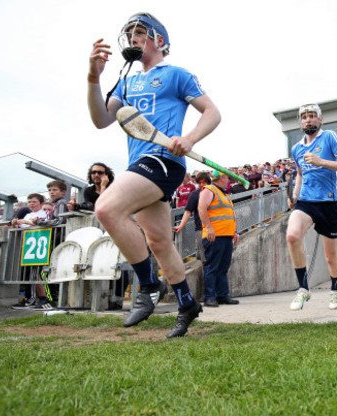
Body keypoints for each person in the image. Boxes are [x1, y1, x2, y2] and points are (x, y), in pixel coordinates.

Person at [87, 12, 221, 338]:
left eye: (140, 34)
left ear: (159, 40)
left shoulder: (176, 74)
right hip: (139, 164)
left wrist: (188, 139)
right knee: (159, 241)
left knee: (105, 208)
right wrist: (93, 78)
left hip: (163, 160)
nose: (132, 40)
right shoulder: (126, 81)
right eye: (129, 35)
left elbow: (213, 113)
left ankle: (148, 285)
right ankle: (187, 303)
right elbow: (101, 120)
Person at [286, 103, 337, 311]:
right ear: (300, 122)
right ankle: (303, 288)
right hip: (306, 202)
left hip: (328, 203)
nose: (308, 119)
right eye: (304, 117)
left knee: (330, 257)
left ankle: (334, 289)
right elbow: (299, 173)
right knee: (292, 236)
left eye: (312, 116)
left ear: (320, 119)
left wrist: (321, 161)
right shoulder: (296, 148)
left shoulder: (329, 137)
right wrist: (295, 195)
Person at [198, 170, 240, 307]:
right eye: (227, 178)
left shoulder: (223, 194)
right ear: (221, 178)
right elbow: (201, 207)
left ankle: (222, 295)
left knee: (223, 267)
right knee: (212, 267)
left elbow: (228, 214)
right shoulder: (209, 190)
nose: (228, 180)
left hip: (226, 235)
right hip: (215, 235)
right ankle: (209, 297)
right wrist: (208, 227)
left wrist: (234, 231)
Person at [174, 171, 211, 262]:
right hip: (201, 229)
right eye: (200, 183)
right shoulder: (194, 194)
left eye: (204, 182)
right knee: (205, 261)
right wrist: (181, 225)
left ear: (209, 182)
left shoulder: (215, 193)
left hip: (217, 228)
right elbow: (187, 212)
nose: (202, 185)